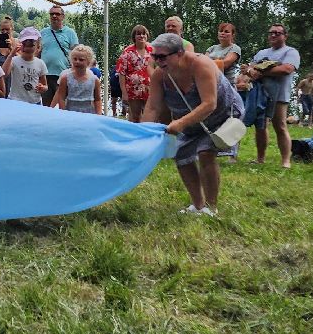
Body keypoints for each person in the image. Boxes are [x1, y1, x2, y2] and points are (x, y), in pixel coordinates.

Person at [143, 32, 243, 217]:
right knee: (181, 154)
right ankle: (198, 205)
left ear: (179, 53)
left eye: (162, 56)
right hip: (191, 121)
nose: (157, 61)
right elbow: (153, 106)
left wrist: (179, 123)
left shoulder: (201, 64)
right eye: (154, 56)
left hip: (220, 115)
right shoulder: (160, 75)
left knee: (205, 153)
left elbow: (209, 104)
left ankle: (211, 208)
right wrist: (143, 133)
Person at [245, 23, 300, 167]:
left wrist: (261, 72)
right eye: (271, 33)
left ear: (285, 36)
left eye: (277, 33)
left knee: (280, 126)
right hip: (259, 94)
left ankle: (286, 161)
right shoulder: (262, 53)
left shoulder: (290, 52)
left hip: (279, 96)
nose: (273, 35)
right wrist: (251, 71)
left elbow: (287, 69)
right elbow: (249, 67)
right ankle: (260, 158)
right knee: (260, 126)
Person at [38, 5, 79, 106]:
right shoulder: (43, 33)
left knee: (63, 106)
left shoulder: (70, 33)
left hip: (63, 75)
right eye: (52, 14)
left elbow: (76, 53)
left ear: (63, 16)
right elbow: (38, 52)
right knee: (46, 106)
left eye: (57, 14)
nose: (54, 16)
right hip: (45, 75)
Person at [115, 25, 152, 122]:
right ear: (134, 37)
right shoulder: (127, 52)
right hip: (133, 90)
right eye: (138, 34)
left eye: (144, 34)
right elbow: (121, 73)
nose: (141, 36)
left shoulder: (153, 50)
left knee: (150, 116)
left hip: (150, 89)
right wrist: (124, 93)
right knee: (135, 116)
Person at [52, 44, 102, 114]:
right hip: (70, 114)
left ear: (88, 62)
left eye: (81, 60)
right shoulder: (65, 78)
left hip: (89, 114)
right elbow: (61, 98)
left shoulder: (94, 80)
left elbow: (97, 100)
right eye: (75, 59)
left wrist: (99, 115)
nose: (77, 61)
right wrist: (63, 113)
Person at [3, 27, 48, 105]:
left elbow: (45, 85)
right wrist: (11, 55)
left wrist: (43, 88)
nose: (27, 48)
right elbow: (4, 73)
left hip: (34, 101)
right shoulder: (14, 60)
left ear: (38, 47)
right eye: (24, 44)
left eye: (31, 45)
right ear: (20, 45)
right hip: (15, 100)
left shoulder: (40, 63)